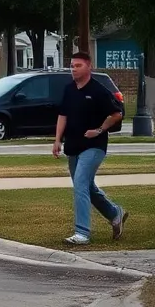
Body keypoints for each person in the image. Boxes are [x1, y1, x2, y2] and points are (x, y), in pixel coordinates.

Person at [53, 51, 128, 245]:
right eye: (72, 66)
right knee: (87, 187)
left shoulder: (99, 91)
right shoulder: (69, 90)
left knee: (80, 184)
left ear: (89, 67)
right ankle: (115, 213)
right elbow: (63, 115)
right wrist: (57, 139)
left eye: (78, 66)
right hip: (73, 146)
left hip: (94, 146)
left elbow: (117, 114)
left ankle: (82, 233)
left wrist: (100, 129)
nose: (74, 69)